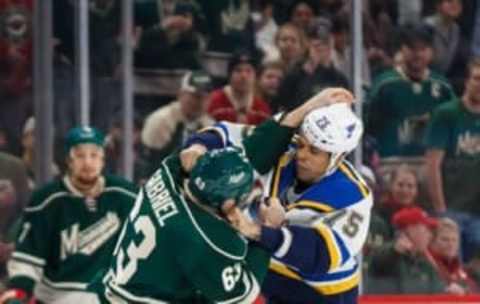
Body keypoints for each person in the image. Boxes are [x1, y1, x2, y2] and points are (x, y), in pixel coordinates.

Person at [92, 88, 342, 303]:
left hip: (114, 287)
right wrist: (268, 229)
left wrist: (310, 106)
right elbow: (242, 293)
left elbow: (250, 151)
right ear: (228, 204)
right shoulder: (207, 239)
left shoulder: (171, 170)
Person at [184, 89, 371, 303]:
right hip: (272, 270)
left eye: (314, 151)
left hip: (322, 293)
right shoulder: (284, 148)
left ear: (338, 157)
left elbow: (320, 255)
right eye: (302, 144)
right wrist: (198, 147)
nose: (301, 155)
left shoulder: (353, 195)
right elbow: (230, 135)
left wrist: (259, 231)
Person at [0, 126, 138, 304]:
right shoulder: (47, 201)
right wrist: (18, 292)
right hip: (56, 299)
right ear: (68, 160)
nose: (88, 163)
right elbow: (27, 260)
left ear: (103, 159)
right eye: (80, 156)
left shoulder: (126, 196)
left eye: (94, 155)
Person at [367, 23, 456, 157]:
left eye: (423, 48)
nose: (418, 54)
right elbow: (366, 125)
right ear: (402, 50)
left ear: (431, 51)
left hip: (430, 164)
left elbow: (455, 123)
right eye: (412, 48)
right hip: (391, 162)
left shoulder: (443, 87)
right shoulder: (384, 85)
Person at [424, 58, 480, 261]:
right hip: (452, 208)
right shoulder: (447, 114)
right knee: (452, 268)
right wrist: (441, 211)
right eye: (477, 78)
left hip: (477, 211)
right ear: (467, 81)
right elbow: (433, 165)